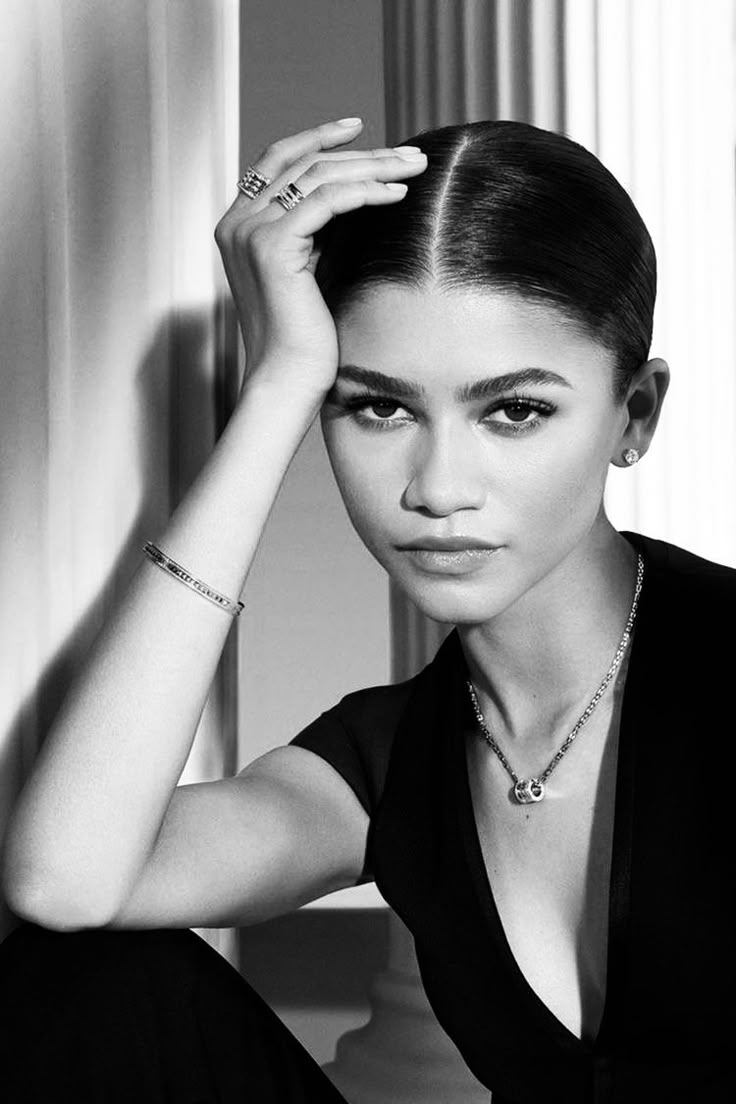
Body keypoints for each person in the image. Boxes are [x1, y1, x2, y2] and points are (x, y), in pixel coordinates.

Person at [0, 115, 731, 1103]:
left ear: (633, 414)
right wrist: (276, 388)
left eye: (513, 409)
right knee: (92, 982)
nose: (436, 487)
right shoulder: (391, 763)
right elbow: (65, 881)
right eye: (377, 407)